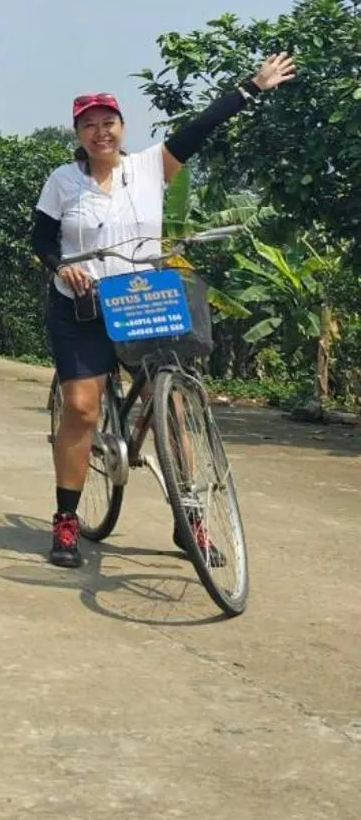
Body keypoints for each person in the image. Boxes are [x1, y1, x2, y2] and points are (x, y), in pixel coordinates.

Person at [33, 53, 298, 569]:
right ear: (79, 134)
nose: (100, 133)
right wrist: (61, 266)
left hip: (142, 302)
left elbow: (200, 127)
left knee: (174, 407)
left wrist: (253, 88)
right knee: (83, 409)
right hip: (82, 307)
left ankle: (190, 516)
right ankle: (66, 519)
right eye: (89, 126)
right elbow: (42, 239)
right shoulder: (64, 181)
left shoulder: (151, 165)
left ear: (121, 126)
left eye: (108, 123)